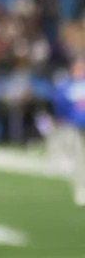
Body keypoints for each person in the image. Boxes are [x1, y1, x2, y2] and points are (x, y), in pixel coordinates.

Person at [54, 59, 85, 206]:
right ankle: (79, 187)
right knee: (77, 157)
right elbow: (59, 103)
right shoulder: (66, 85)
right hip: (73, 125)